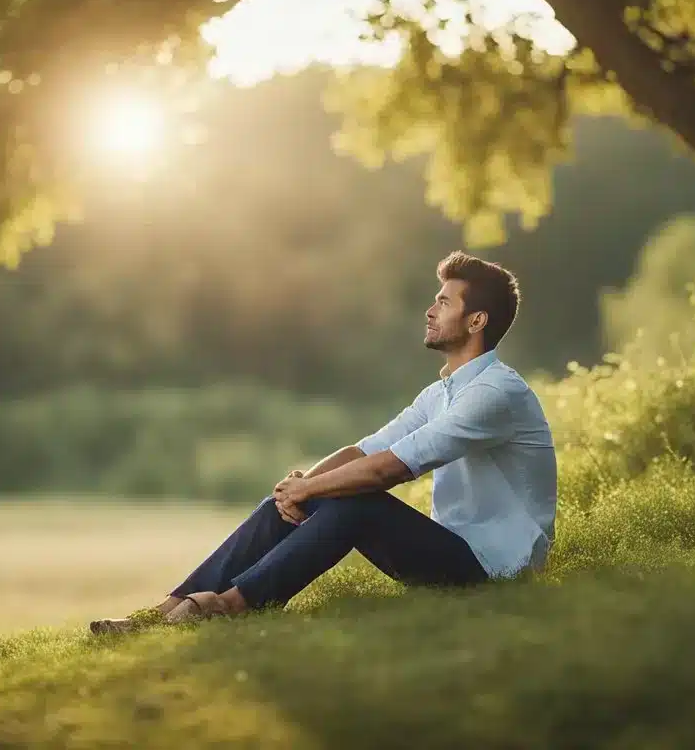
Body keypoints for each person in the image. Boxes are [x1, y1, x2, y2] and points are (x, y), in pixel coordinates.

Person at [90, 251, 557, 632]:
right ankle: (157, 616)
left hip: (495, 569)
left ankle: (230, 606)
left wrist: (310, 490)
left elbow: (389, 469)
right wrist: (300, 490)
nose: (430, 310)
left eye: (444, 302)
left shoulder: (495, 393)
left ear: (476, 321)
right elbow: (364, 451)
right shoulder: (441, 393)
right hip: (449, 550)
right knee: (302, 495)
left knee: (358, 500)